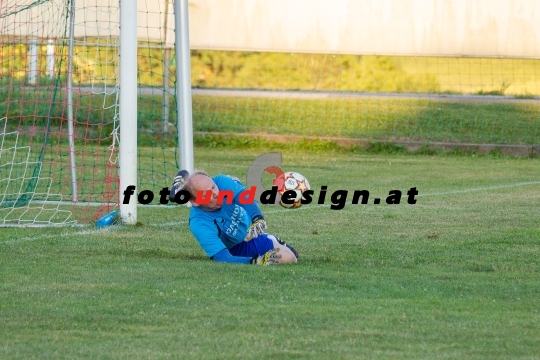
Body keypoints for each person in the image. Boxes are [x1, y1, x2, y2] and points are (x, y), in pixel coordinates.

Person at [169, 170, 299, 265]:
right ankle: (178, 189)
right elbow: (221, 256)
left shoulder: (220, 182)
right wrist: (255, 261)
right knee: (289, 257)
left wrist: (257, 218)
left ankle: (181, 187)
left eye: (213, 187)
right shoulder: (199, 224)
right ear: (196, 202)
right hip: (238, 245)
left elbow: (246, 197)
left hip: (248, 231)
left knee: (233, 180)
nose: (215, 194)